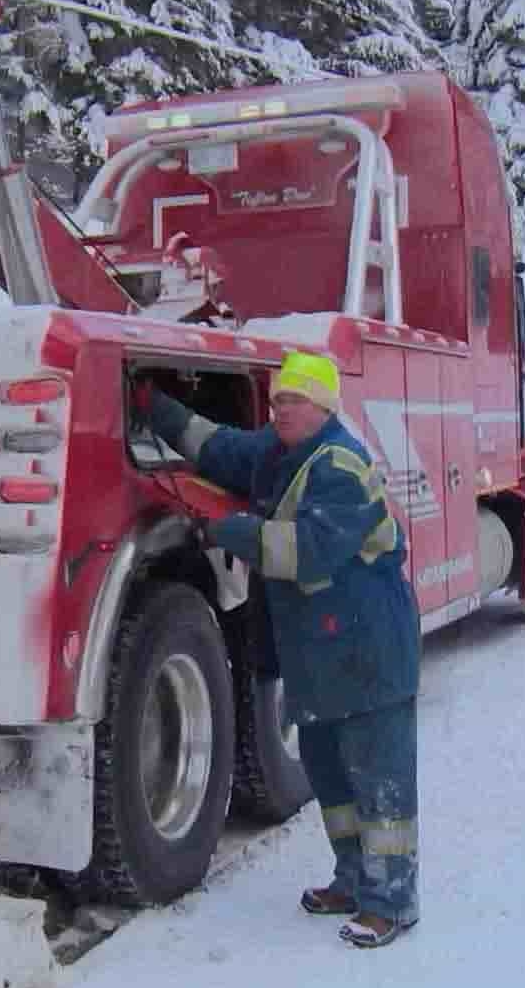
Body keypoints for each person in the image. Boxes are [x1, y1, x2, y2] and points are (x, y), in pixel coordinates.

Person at [132, 349, 423, 948]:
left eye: (294, 399)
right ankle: (351, 878)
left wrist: (224, 525)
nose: (280, 407)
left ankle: (392, 900)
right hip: (321, 654)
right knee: (331, 775)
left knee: (379, 780)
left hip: (370, 652)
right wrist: (152, 408)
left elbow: (303, 551)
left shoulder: (341, 465)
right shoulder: (280, 451)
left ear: (323, 406)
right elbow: (216, 447)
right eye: (278, 398)